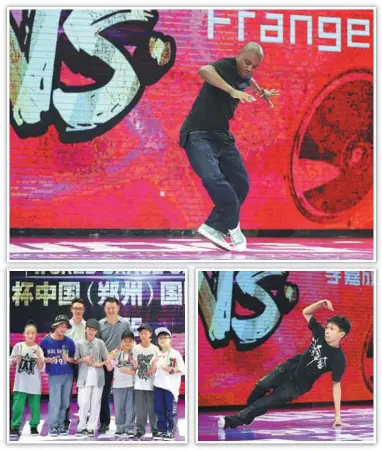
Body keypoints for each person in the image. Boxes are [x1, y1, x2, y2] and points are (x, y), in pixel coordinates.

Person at [180, 42, 279, 251]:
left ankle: (214, 226)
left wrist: (262, 92)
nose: (249, 68)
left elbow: (249, 80)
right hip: (198, 133)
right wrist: (231, 91)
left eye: (255, 66)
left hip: (222, 136)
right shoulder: (226, 66)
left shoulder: (245, 74)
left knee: (241, 183)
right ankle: (234, 230)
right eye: (247, 62)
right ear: (238, 55)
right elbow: (203, 70)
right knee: (214, 179)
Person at [218, 299, 351, 429]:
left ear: (341, 334)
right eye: (327, 327)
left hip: (297, 386)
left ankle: (233, 420)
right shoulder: (320, 333)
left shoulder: (339, 359)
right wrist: (320, 304)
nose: (327, 330)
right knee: (261, 386)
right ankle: (248, 415)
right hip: (287, 368)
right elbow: (306, 312)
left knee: (265, 402)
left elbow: (336, 386)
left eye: (332, 329)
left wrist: (337, 416)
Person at [98, 297, 131, 434]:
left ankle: (125, 423)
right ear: (105, 309)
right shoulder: (100, 324)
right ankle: (104, 423)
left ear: (118, 308)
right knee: (104, 395)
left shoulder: (125, 323)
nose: (111, 310)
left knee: (124, 394)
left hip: (122, 364)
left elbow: (129, 342)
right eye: (108, 308)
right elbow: (98, 344)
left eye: (113, 307)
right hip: (106, 363)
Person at [40, 315, 76, 437]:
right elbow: (39, 359)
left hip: (68, 375)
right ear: (55, 326)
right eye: (61, 325)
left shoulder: (70, 342)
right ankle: (53, 426)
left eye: (65, 326)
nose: (63, 328)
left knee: (65, 402)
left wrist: (69, 359)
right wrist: (46, 360)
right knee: (55, 402)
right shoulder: (45, 341)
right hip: (54, 375)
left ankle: (61, 425)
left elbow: (74, 360)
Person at [74, 318, 111, 437]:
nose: (91, 332)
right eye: (89, 329)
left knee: (95, 403)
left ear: (96, 332)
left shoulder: (100, 343)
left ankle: (91, 427)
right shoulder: (79, 343)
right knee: (83, 403)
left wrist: (98, 364)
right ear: (85, 329)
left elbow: (107, 359)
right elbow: (75, 360)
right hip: (83, 377)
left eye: (94, 330)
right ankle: (81, 426)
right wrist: (84, 359)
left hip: (98, 377)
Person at [9, 321, 45, 437]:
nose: (30, 335)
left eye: (33, 333)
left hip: (34, 384)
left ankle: (34, 426)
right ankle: (14, 426)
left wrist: (38, 356)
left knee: (35, 408)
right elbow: (11, 361)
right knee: (17, 407)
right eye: (28, 333)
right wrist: (16, 360)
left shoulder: (38, 348)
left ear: (36, 335)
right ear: (24, 334)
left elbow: (41, 367)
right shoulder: (18, 346)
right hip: (20, 384)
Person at [153, 327, 185, 441]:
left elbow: (182, 369)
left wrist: (169, 369)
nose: (162, 340)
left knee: (170, 411)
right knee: (159, 410)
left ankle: (171, 431)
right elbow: (152, 371)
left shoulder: (175, 354)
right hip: (157, 386)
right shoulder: (156, 354)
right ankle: (162, 430)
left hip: (170, 388)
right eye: (159, 338)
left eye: (164, 337)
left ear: (169, 339)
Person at [132, 324, 159, 439]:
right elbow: (135, 365)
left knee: (153, 409)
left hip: (152, 383)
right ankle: (140, 430)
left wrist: (153, 368)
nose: (143, 335)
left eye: (145, 333)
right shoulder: (136, 348)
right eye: (141, 333)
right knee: (140, 409)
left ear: (150, 334)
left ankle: (155, 429)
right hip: (139, 383)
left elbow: (158, 365)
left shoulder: (155, 348)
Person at [109, 330, 137, 438]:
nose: (128, 343)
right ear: (121, 341)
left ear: (133, 342)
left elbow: (137, 369)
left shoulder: (135, 353)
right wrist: (109, 359)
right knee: (119, 408)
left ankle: (129, 428)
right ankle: (120, 428)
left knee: (130, 408)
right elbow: (109, 368)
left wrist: (131, 370)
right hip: (118, 385)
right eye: (125, 341)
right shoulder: (115, 352)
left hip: (131, 385)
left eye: (130, 341)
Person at [64, 298, 86, 430]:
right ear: (71, 309)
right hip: (67, 363)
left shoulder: (87, 325)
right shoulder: (65, 326)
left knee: (82, 391)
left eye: (80, 309)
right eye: (75, 308)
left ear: (84, 310)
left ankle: (82, 418)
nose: (78, 311)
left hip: (82, 363)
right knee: (66, 391)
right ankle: (64, 419)